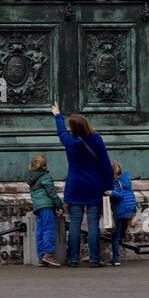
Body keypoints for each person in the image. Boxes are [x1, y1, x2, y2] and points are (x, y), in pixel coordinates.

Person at [51, 101, 114, 267]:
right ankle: (94, 259)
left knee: (74, 224)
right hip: (95, 186)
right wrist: (109, 185)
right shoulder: (96, 139)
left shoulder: (70, 143)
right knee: (93, 223)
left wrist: (58, 115)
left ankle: (73, 258)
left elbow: (61, 132)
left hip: (75, 186)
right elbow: (106, 166)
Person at [25, 153, 64, 267]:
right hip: (46, 206)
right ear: (45, 165)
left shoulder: (32, 178)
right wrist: (59, 204)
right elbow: (51, 193)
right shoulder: (45, 177)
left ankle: (41, 257)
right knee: (48, 230)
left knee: (40, 231)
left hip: (37, 207)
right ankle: (48, 254)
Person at [109, 160, 138, 266]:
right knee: (121, 233)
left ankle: (116, 258)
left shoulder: (114, 181)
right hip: (129, 210)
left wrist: (110, 192)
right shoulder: (126, 180)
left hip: (120, 211)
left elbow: (119, 195)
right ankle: (122, 237)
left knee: (115, 236)